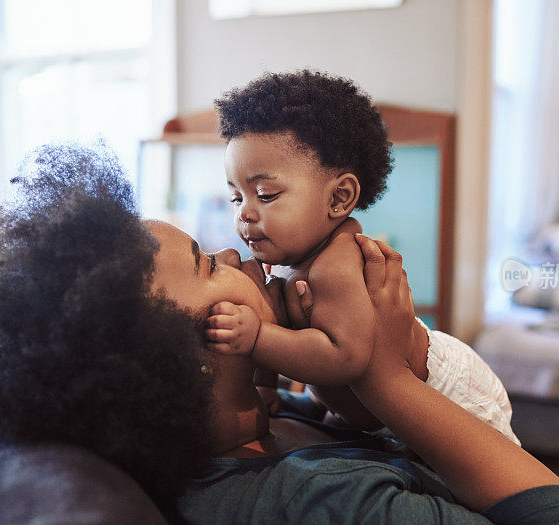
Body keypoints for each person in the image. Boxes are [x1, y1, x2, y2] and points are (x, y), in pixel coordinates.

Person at [0, 143, 559, 525]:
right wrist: (384, 379)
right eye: (205, 265)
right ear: (185, 358)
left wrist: (345, 364)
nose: (233, 247)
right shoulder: (317, 509)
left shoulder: (273, 411)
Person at [206, 70, 519, 443]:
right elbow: (273, 317)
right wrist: (266, 387)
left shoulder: (336, 265)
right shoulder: (282, 262)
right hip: (374, 416)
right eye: (236, 198)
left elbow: (344, 356)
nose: (244, 213)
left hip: (448, 395)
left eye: (266, 195)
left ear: (339, 198)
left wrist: (258, 337)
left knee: (471, 482)